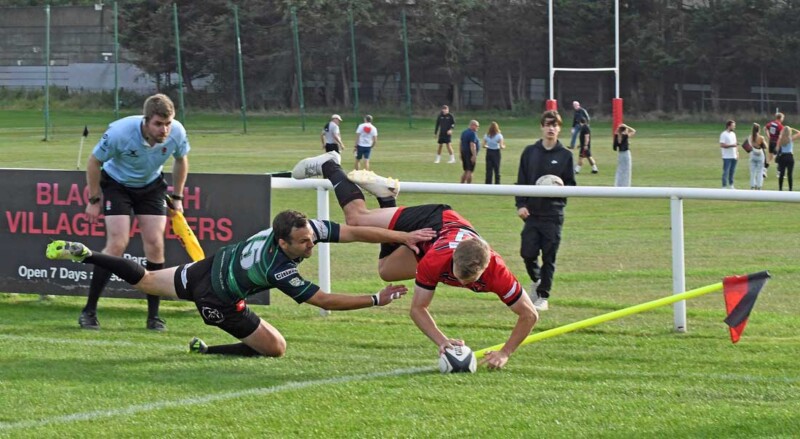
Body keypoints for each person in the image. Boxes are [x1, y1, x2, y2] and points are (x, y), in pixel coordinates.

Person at [46, 209, 436, 357]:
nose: (311, 244)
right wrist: (376, 299)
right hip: (216, 298)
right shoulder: (278, 268)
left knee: (146, 280)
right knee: (277, 348)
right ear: (283, 243)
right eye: (303, 243)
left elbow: (352, 232)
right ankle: (207, 350)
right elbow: (324, 301)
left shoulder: (295, 229)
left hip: (208, 266)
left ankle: (87, 254)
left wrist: (401, 237)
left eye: (311, 238)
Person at [291, 152, 538, 370]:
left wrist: (505, 353)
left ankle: (386, 198)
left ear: (485, 268)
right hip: (433, 221)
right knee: (356, 218)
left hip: (438, 241)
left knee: (387, 271)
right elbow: (418, 309)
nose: (462, 284)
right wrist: (442, 341)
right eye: (457, 276)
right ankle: (329, 164)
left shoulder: (498, 272)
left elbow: (529, 315)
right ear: (453, 258)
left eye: (469, 280)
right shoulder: (436, 260)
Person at [80, 93, 190, 331]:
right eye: (158, 124)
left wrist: (178, 197)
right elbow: (93, 162)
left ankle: (154, 317)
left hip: (151, 186)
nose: (164, 130)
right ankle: (89, 311)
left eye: (168, 123)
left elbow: (181, 160)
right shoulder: (120, 133)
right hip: (117, 184)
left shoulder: (177, 132)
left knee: (155, 244)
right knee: (117, 244)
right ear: (146, 121)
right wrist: (94, 199)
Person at [516, 110, 576, 312]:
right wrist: (521, 204)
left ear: (559, 129)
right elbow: (521, 181)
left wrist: (561, 188)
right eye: (548, 124)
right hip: (532, 214)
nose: (551, 128)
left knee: (549, 256)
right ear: (541, 127)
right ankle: (537, 280)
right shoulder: (530, 152)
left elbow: (571, 185)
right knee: (527, 253)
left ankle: (543, 296)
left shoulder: (566, 155)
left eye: (555, 125)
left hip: (553, 214)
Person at [776, 125, 800, 191]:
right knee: (790, 174)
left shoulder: (780, 139)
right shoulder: (791, 138)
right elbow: (799, 133)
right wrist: (793, 128)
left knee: (781, 174)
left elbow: (777, 148)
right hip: (789, 156)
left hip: (782, 156)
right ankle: (790, 189)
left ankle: (780, 188)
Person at [746, 123, 768, 190]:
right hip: (759, 155)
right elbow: (766, 146)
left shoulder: (750, 137)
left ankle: (752, 185)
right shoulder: (761, 137)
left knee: (752, 171)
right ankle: (759, 185)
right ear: (759, 130)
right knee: (760, 171)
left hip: (753, 154)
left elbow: (749, 145)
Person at [719, 120, 738, 189]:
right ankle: (724, 186)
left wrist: (737, 153)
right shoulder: (723, 134)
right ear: (728, 126)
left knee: (732, 171)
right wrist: (731, 145)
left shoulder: (733, 134)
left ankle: (731, 184)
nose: (734, 127)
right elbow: (722, 145)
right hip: (727, 156)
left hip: (734, 156)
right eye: (733, 126)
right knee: (726, 171)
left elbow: (736, 144)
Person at [764, 113, 784, 178]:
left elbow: (765, 128)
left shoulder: (771, 123)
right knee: (779, 157)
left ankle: (764, 170)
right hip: (776, 142)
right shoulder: (780, 126)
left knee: (770, 157)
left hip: (771, 142)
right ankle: (779, 173)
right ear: (780, 118)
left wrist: (768, 136)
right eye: (782, 118)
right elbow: (781, 136)